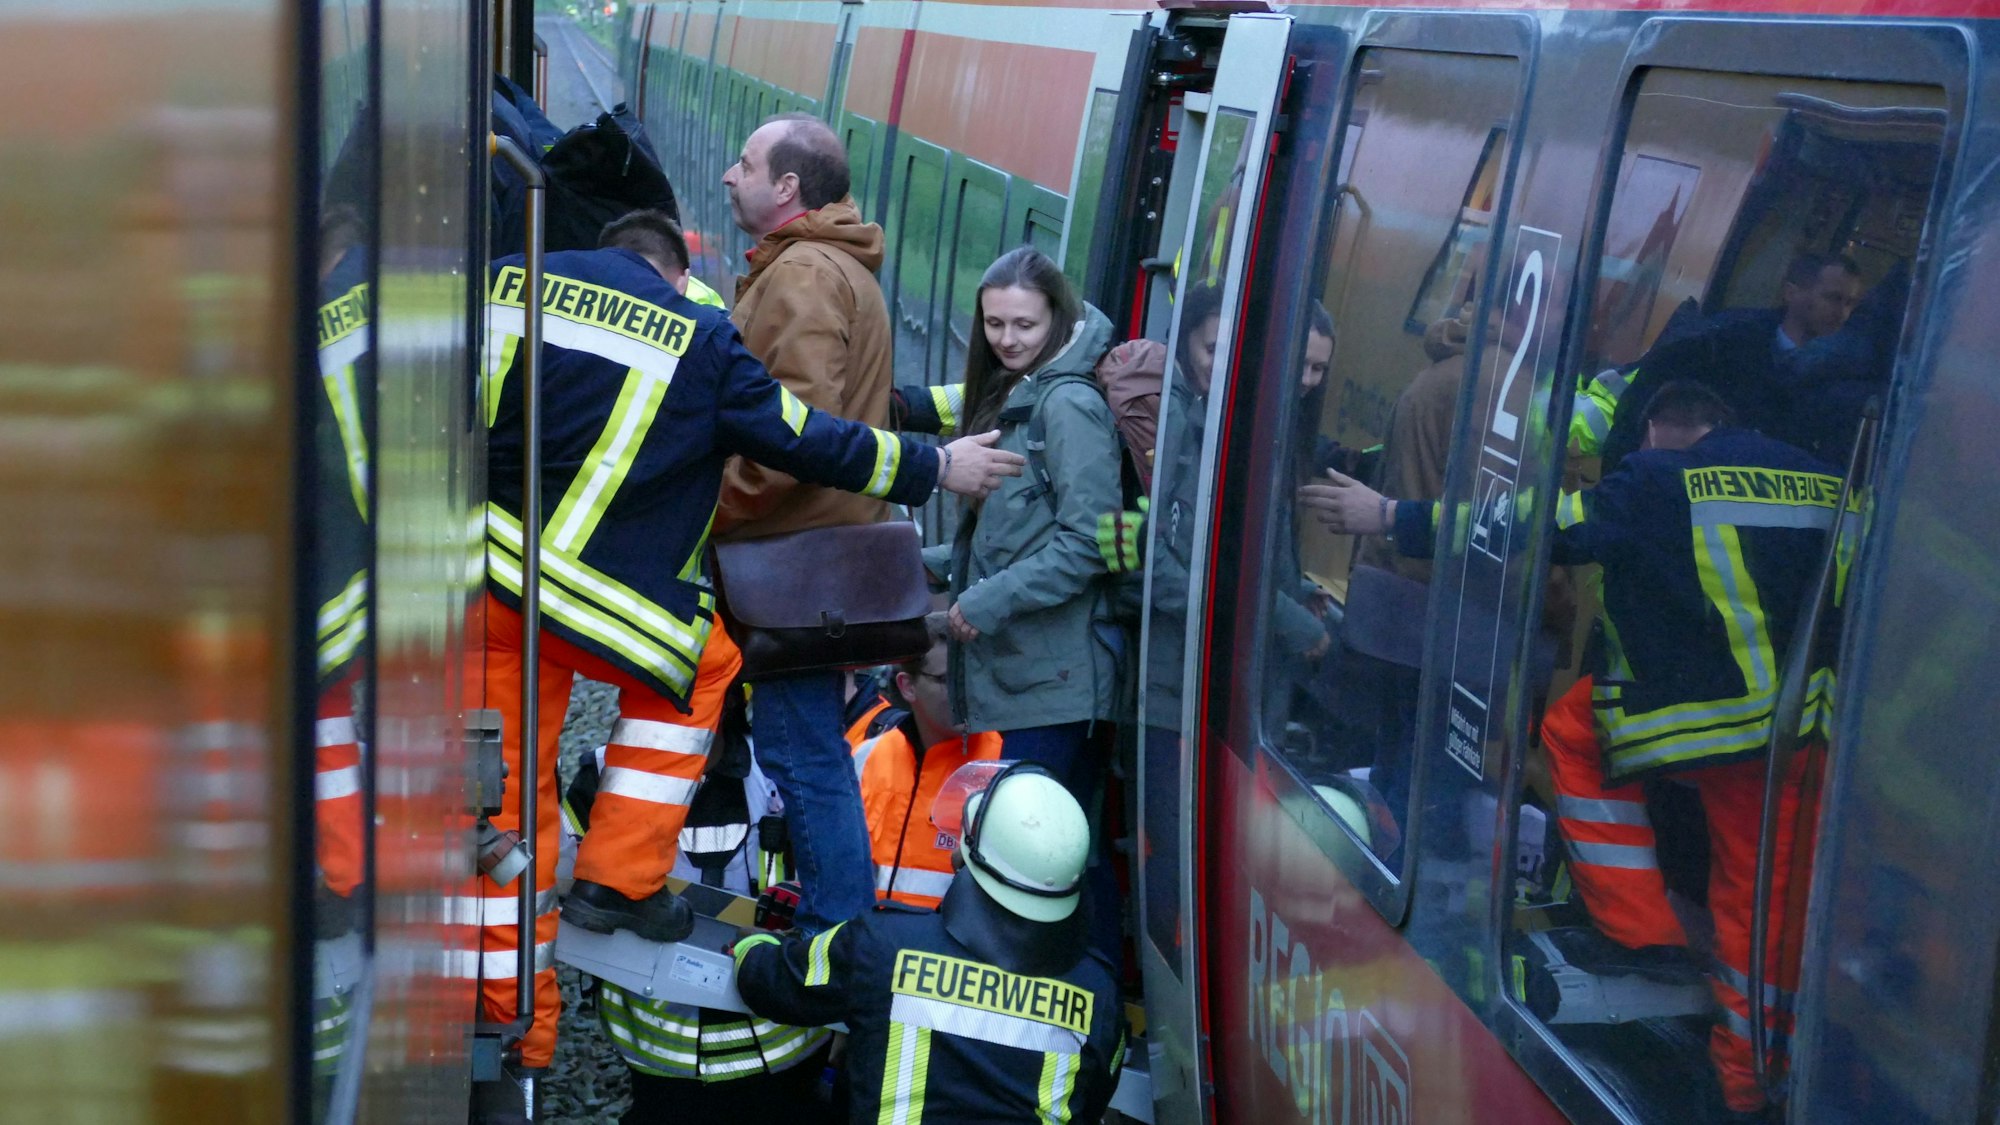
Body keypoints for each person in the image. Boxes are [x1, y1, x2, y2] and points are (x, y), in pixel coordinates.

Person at [473, 213, 1024, 1085]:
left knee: (507, 800)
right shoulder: (699, 337)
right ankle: (615, 879)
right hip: (602, 600)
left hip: (483, 581)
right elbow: (806, 439)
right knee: (705, 669)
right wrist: (932, 469)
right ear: (668, 269)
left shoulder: (503, 282)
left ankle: (511, 1034)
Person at [1303, 381, 1843, 1120]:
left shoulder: (1659, 476)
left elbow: (1531, 525)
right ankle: (1747, 1052)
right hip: (1811, 723)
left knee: (1575, 735)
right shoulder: (1823, 479)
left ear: (1660, 425)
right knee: (1768, 909)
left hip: (1709, 721)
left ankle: (1673, 980)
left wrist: (1394, 516)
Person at [714, 111, 900, 936]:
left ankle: (836, 935)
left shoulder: (802, 277)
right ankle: (837, 923)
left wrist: (706, 506)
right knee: (804, 747)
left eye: (745, 163)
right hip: (816, 554)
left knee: (801, 754)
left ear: (787, 187)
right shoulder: (822, 267)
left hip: (789, 564)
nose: (728, 173)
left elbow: (790, 435)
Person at [734, 762, 1127, 1124]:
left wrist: (748, 946)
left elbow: (771, 982)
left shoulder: (883, 943)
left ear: (966, 858)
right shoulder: (1099, 993)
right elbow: (1089, 1104)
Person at [562, 742, 835, 1125]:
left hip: (782, 1048)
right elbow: (562, 884)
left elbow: (848, 869)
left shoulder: (784, 770)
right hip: (662, 1056)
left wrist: (809, 893)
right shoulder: (602, 772)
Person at [933, 247, 1121, 792]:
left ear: (1056, 318)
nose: (1007, 339)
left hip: (1055, 685)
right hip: (1028, 677)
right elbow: (1019, 537)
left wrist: (986, 599)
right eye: (994, 323)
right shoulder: (1018, 389)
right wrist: (931, 565)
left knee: (1024, 849)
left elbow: (1091, 542)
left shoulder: (1068, 406)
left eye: (1025, 324)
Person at [1571, 252, 1865, 469]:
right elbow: (1638, 411)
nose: (1842, 313)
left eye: (1850, 303)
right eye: (1833, 298)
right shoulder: (1718, 345)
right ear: (1791, 292)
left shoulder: (1846, 379)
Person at [850, 622, 1005, 910]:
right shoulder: (867, 757)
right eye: (947, 679)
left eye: (970, 676)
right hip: (868, 943)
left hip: (954, 950)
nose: (964, 691)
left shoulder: (1003, 769)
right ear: (907, 686)